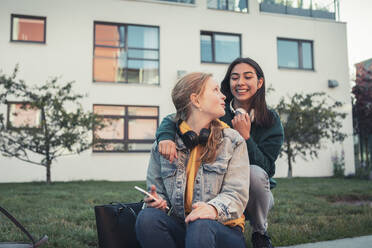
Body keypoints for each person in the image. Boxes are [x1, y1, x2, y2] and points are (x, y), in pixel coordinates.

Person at [155, 57, 284, 248]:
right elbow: (175, 117)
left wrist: (246, 138)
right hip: (216, 184)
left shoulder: (270, 119)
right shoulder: (219, 109)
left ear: (259, 82)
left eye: (247, 77)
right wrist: (165, 137)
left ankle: (259, 233)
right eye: (234, 78)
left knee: (255, 173)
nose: (240, 82)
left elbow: (267, 168)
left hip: (251, 190)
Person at [135, 72, 250, 248]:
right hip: (183, 227)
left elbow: (236, 195)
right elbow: (158, 195)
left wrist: (212, 209)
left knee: (201, 224)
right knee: (147, 218)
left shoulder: (233, 141)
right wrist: (157, 203)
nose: (223, 95)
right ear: (196, 100)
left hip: (221, 231)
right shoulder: (164, 144)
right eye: (215, 90)